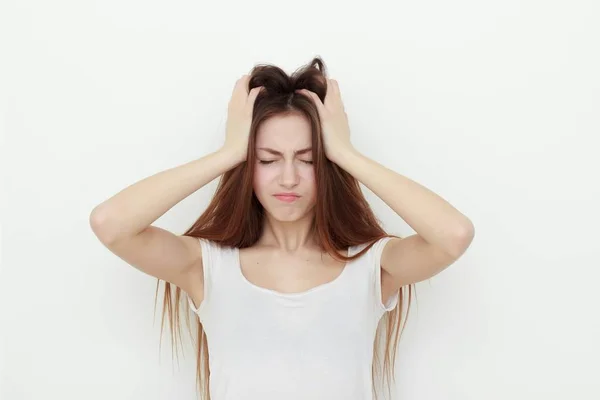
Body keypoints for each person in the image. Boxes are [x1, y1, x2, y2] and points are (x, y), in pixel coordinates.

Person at [90, 56, 475, 400]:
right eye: (268, 159)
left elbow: (454, 235)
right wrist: (228, 153)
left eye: (307, 160)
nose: (288, 178)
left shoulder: (371, 264)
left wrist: (344, 152)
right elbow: (111, 224)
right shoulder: (207, 266)